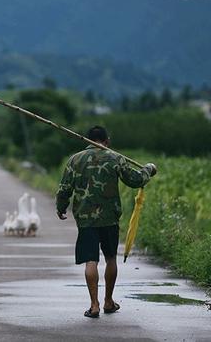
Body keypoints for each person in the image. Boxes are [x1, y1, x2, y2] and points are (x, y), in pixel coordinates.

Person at [55, 125, 156, 318]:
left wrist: (61, 207)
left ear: (87, 141)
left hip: (86, 220)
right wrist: (148, 170)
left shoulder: (74, 160)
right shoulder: (115, 158)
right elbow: (135, 180)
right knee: (111, 258)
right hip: (109, 218)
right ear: (107, 141)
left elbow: (64, 189)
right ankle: (109, 301)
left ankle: (94, 305)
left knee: (90, 260)